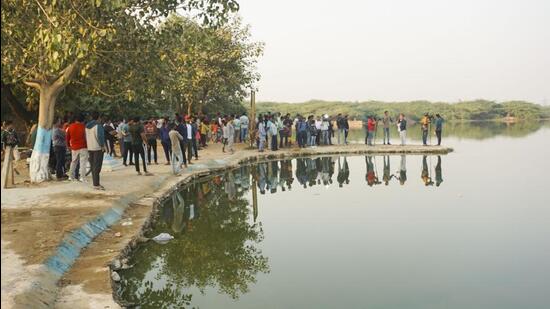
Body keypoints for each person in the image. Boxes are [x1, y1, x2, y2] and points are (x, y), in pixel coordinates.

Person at [85, 112, 106, 190]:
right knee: (97, 166)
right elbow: (100, 137)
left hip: (90, 148)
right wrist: (102, 146)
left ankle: (95, 183)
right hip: (97, 148)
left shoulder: (86, 126)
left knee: (93, 165)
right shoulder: (98, 126)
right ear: (99, 118)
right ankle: (96, 184)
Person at [66, 113, 88, 182]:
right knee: (83, 163)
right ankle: (82, 177)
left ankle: (71, 177)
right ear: (83, 120)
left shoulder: (70, 127)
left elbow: (67, 138)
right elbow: (86, 137)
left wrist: (68, 146)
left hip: (74, 147)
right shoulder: (84, 127)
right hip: (83, 146)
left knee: (73, 162)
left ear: (75, 119)